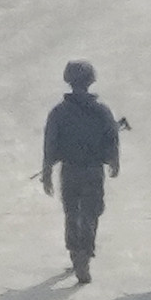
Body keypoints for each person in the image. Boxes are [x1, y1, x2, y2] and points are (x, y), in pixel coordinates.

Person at [41, 60, 120, 285]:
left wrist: (47, 170)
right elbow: (111, 138)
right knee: (91, 212)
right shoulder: (101, 111)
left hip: (69, 170)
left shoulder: (58, 112)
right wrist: (114, 161)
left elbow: (50, 143)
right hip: (93, 170)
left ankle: (75, 252)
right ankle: (84, 253)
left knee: (71, 212)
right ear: (91, 81)